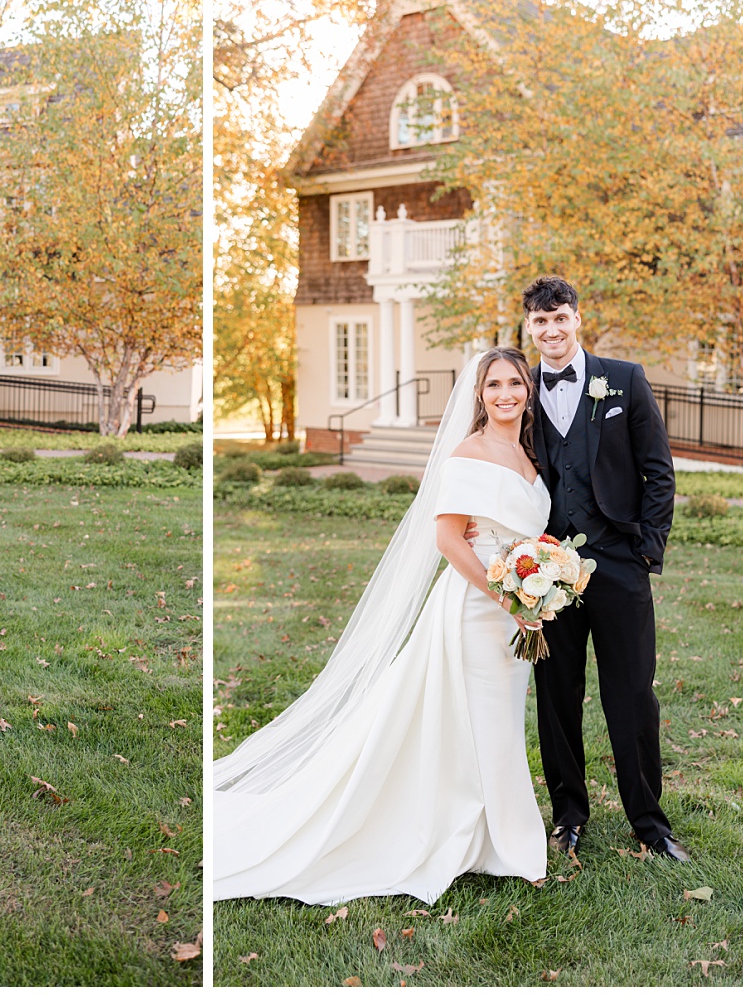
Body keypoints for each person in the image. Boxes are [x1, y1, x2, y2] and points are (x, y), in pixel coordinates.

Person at [214, 347, 548, 905]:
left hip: (517, 608)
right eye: (494, 385)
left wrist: (538, 592)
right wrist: (505, 596)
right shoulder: (469, 453)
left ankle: (489, 834)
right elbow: (447, 540)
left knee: (499, 722)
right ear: (479, 395)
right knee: (486, 723)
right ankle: (514, 847)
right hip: (474, 609)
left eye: (515, 383)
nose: (505, 394)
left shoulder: (529, 458)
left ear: (528, 391)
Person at [521, 275, 686, 861]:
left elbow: (658, 470)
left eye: (559, 317)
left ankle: (650, 822)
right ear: (530, 328)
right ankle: (567, 816)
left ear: (577, 318)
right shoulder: (519, 388)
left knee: (632, 693)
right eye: (540, 321)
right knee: (555, 695)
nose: (551, 330)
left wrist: (648, 548)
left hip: (618, 560)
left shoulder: (624, 379)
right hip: (545, 567)